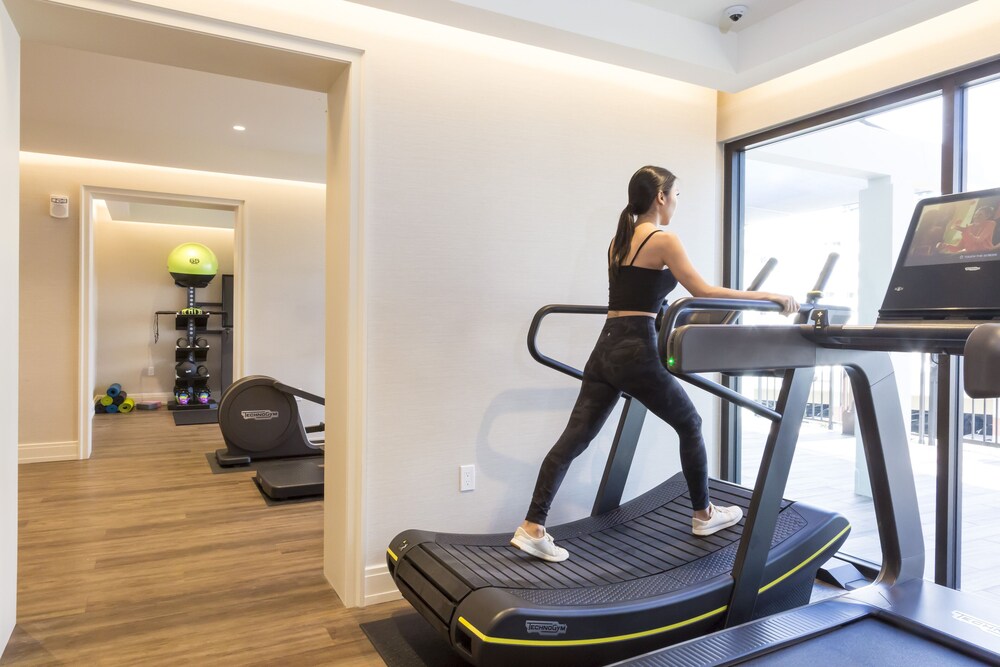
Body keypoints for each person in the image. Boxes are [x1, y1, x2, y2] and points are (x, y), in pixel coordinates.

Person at [511, 165, 800, 563]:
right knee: (691, 423)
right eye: (676, 195)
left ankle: (532, 526)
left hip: (605, 349)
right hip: (637, 350)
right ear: (661, 197)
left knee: (573, 440)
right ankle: (704, 514)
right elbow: (702, 291)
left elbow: (637, 295)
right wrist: (770, 297)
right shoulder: (663, 239)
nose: (677, 203)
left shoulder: (619, 240)